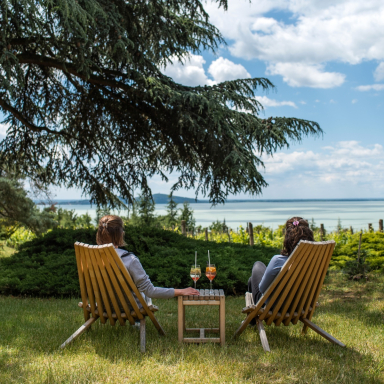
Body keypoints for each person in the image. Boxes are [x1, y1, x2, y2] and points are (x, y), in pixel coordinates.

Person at [96, 215, 199, 307]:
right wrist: (181, 291)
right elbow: (150, 291)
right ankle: (137, 323)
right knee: (144, 294)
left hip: (103, 306)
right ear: (120, 234)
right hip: (128, 308)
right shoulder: (129, 260)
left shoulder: (93, 257)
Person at [248, 217, 314, 306]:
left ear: (287, 239)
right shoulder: (313, 262)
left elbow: (262, 288)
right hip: (300, 305)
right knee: (251, 280)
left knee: (257, 265)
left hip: (275, 306)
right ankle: (252, 319)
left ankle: (252, 318)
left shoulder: (278, 261)